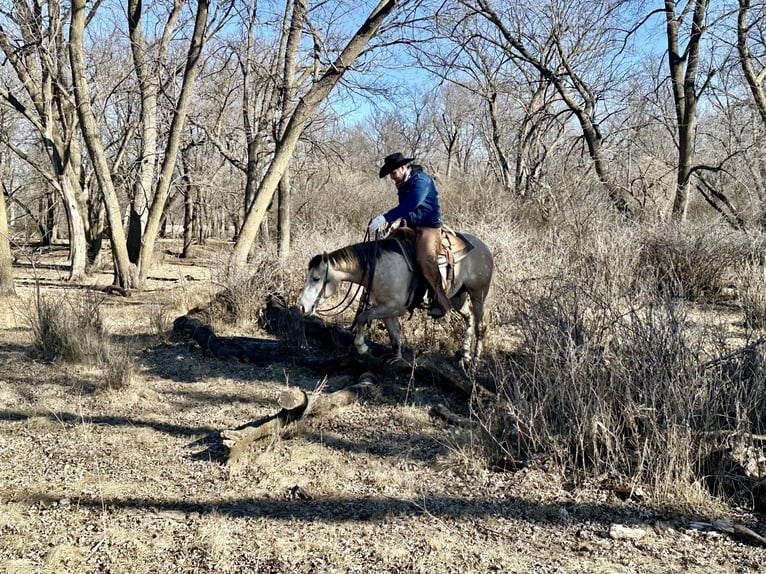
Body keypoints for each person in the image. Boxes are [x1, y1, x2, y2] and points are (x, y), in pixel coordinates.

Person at [369, 152, 453, 318]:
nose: (392, 178)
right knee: (385, 249)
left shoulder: (422, 180)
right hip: (411, 226)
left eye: (393, 173)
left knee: (424, 258)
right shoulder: (403, 183)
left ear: (402, 167)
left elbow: (413, 202)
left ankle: (440, 301)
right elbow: (407, 209)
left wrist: (386, 217)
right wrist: (394, 223)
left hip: (428, 226)